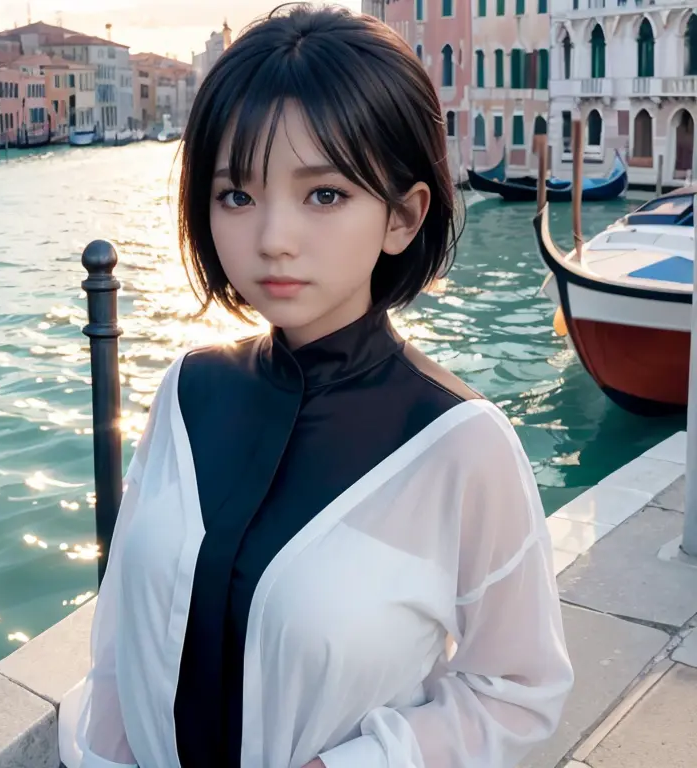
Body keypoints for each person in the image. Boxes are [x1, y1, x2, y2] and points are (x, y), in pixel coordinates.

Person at [58, 4, 574, 767]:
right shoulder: (188, 391)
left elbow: (518, 688)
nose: (272, 238)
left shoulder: (458, 445)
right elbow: (120, 639)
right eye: (237, 195)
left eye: (324, 194)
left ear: (402, 216)